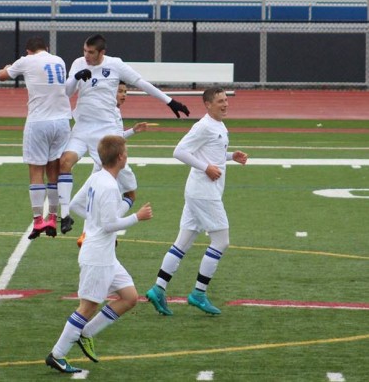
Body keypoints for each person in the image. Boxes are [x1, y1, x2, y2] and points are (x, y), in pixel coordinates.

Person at [57, 33, 189, 235]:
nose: (86, 56)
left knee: (123, 187)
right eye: (84, 51)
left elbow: (142, 83)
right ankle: (65, 216)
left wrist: (169, 101)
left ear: (102, 52)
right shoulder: (77, 63)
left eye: (90, 52)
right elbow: (66, 93)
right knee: (64, 163)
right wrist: (75, 77)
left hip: (107, 131)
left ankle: (112, 223)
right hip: (82, 127)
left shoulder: (115, 65)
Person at [46, 135, 153, 374]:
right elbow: (108, 225)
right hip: (97, 256)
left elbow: (75, 205)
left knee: (129, 297)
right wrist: (138, 216)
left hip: (104, 255)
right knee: (88, 306)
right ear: (121, 157)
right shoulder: (109, 185)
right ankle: (57, 354)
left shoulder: (97, 178)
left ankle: (86, 333)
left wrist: (110, 213)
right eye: (126, 151)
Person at [145, 87, 248, 316]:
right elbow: (179, 151)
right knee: (221, 241)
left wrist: (231, 157)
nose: (225, 104)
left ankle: (158, 288)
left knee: (183, 241)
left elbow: (210, 155)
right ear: (208, 105)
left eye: (225, 100)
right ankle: (199, 293)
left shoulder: (218, 125)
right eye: (220, 101)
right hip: (203, 192)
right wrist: (206, 168)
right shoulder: (203, 126)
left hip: (200, 191)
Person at [0, 36, 72, 240]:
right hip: (62, 121)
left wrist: (8, 67)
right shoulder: (59, 60)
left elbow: (2, 76)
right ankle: (53, 216)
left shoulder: (26, 60)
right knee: (53, 171)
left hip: (39, 121)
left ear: (29, 51)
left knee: (35, 170)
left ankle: (38, 219)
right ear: (46, 48)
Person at [77, 81, 150, 248]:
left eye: (125, 92)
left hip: (103, 160)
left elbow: (114, 138)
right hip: (113, 161)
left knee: (94, 198)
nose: (123, 95)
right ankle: (105, 229)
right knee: (129, 195)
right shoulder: (110, 112)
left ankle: (88, 232)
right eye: (120, 91)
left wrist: (133, 131)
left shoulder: (113, 110)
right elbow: (112, 142)